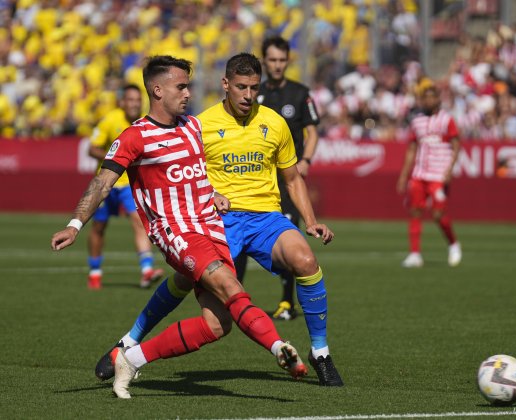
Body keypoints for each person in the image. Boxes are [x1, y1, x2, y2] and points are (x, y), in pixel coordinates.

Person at [51, 55, 307, 399]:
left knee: (218, 325)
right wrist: (75, 224)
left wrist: (213, 193)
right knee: (231, 286)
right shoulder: (135, 137)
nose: (188, 93)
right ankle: (279, 348)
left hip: (211, 228)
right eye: (181, 86)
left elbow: (196, 174)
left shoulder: (191, 127)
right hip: (177, 234)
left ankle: (131, 357)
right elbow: (102, 183)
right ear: (157, 90)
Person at [232, 35, 321, 321]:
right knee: (241, 243)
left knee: (288, 239)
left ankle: (285, 302)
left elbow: (313, 132)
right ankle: (235, 295)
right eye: (272, 59)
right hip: (257, 179)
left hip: (287, 176)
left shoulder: (300, 93)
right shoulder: (252, 94)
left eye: (282, 60)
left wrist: (305, 160)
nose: (277, 65)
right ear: (264, 61)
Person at [86, 84, 164, 289]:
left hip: (129, 184)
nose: (134, 104)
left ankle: (146, 270)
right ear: (122, 102)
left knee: (138, 222)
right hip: (107, 182)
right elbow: (91, 149)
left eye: (137, 100)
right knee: (98, 227)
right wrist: (116, 158)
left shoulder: (145, 122)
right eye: (130, 100)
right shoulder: (110, 120)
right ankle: (94, 272)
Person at [396, 85, 462, 268]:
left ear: (438, 99)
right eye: (425, 98)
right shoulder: (417, 121)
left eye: (431, 97)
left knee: (438, 214)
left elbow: (457, 145)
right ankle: (415, 254)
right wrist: (403, 175)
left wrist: (450, 170)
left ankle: (453, 244)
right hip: (419, 174)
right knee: (415, 211)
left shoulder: (447, 120)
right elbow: (411, 149)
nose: (428, 101)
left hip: (439, 175)